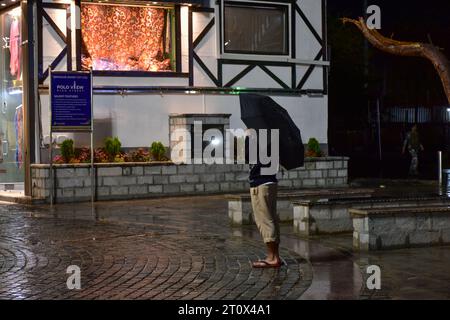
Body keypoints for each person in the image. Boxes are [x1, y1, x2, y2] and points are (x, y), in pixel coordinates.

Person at [245, 130, 281, 268]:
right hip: (270, 181)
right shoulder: (273, 134)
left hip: (260, 183)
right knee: (271, 219)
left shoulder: (256, 134)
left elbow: (248, 156)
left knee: (265, 221)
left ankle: (272, 257)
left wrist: (247, 137)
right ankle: (274, 255)